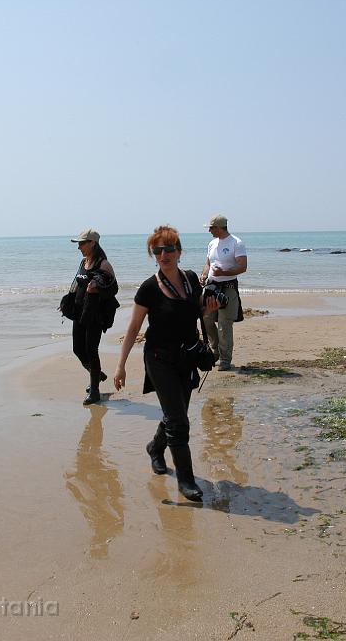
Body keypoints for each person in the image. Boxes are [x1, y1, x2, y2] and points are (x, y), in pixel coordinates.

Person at [113, 225, 220, 502]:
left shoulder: (191, 279)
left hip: (187, 356)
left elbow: (193, 309)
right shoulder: (149, 288)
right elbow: (133, 328)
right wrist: (120, 365)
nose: (164, 255)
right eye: (158, 250)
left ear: (179, 251)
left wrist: (207, 308)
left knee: (176, 415)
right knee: (179, 422)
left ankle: (155, 448)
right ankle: (186, 481)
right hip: (159, 359)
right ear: (153, 255)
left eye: (169, 249)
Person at [68, 229, 119, 405]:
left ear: (93, 243)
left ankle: (95, 391)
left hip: (95, 314)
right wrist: (67, 302)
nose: (79, 247)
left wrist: (97, 288)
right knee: (78, 349)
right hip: (79, 312)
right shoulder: (83, 262)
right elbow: (76, 284)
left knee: (91, 350)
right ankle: (96, 375)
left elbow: (114, 289)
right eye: (78, 244)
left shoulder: (104, 264)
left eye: (82, 243)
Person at [200, 214, 247, 370]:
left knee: (224, 324)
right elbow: (208, 263)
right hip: (211, 286)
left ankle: (225, 359)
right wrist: (204, 275)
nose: (209, 231)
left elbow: (242, 267)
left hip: (229, 287)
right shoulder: (212, 243)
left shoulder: (236, 243)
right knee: (206, 318)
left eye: (211, 228)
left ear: (220, 228)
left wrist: (224, 273)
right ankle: (215, 351)